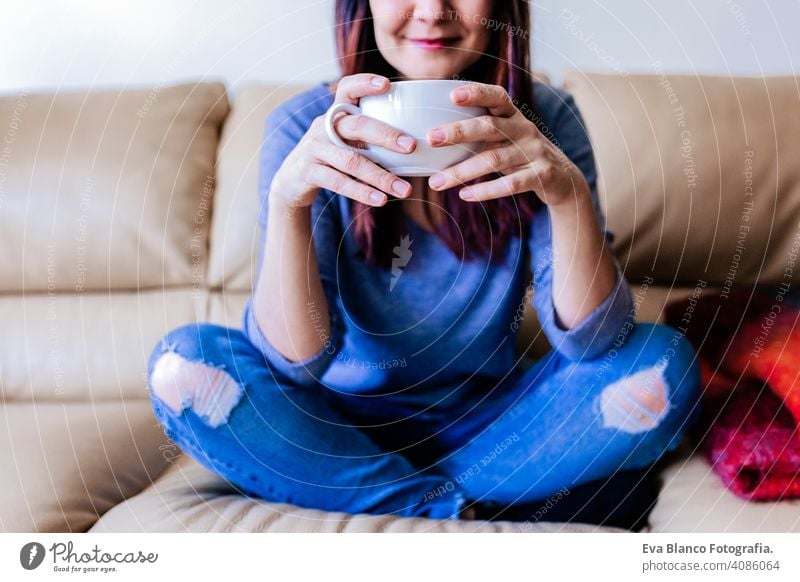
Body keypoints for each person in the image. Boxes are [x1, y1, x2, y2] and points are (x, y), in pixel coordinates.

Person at [147, 0, 701, 523]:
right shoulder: (305, 127)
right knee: (181, 367)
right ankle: (448, 508)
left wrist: (568, 194)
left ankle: (375, 493)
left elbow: (596, 340)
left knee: (663, 364)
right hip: (332, 427)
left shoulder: (542, 120)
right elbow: (296, 362)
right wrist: (288, 203)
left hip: (496, 427)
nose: (433, 11)